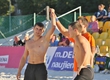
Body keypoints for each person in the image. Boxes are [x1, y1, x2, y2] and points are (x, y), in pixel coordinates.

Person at [51, 9, 95, 79]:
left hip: (84, 68)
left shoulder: (84, 37)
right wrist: (55, 18)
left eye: (79, 24)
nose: (77, 24)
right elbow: (63, 31)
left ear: (84, 26)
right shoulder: (76, 37)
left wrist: (82, 65)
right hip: (81, 68)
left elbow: (89, 53)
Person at [16, 9, 56, 80]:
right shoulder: (28, 42)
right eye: (37, 29)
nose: (38, 31)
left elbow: (53, 27)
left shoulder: (45, 39)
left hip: (40, 67)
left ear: (43, 31)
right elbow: (24, 57)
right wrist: (19, 70)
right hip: (30, 67)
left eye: (40, 29)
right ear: (33, 29)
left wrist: (53, 15)